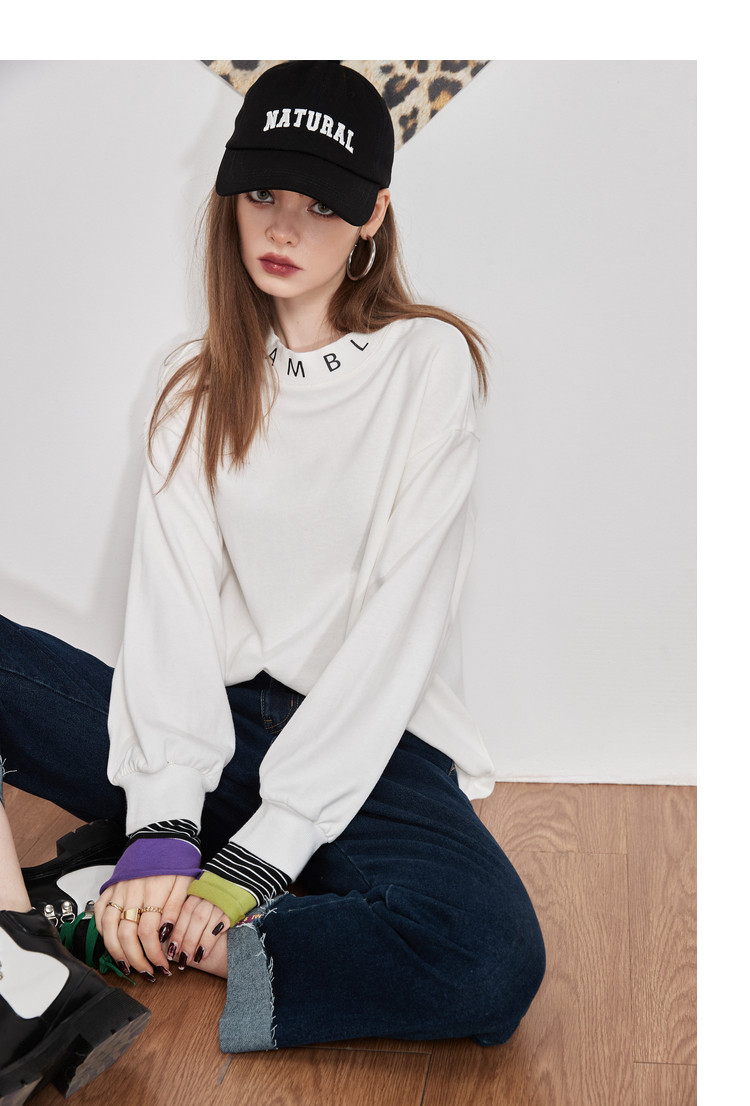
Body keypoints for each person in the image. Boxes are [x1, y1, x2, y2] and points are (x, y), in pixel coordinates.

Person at [0, 60, 545, 1068]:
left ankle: (153, 918)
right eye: (263, 195)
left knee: (493, 956)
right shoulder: (192, 383)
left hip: (373, 743)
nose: (284, 228)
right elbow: (171, 614)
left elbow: (397, 629)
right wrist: (165, 819)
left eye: (321, 204)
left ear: (373, 214)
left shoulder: (428, 365)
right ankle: (30, 943)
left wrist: (264, 851)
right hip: (207, 731)